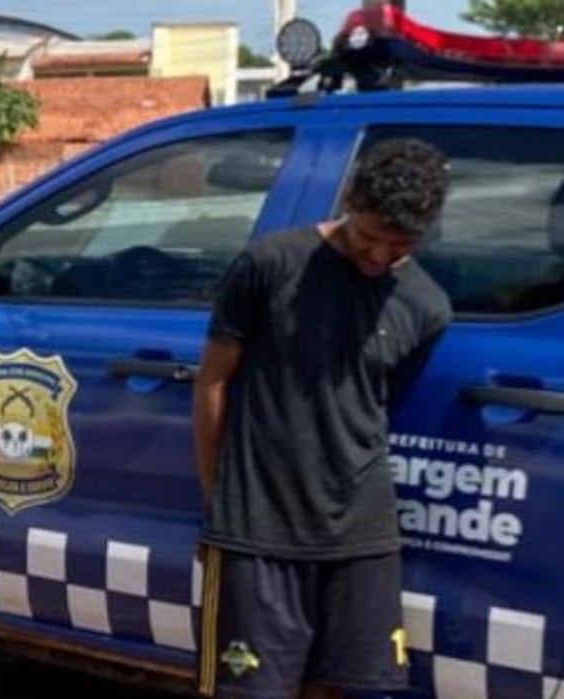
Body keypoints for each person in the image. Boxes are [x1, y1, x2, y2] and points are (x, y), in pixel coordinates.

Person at [192, 137, 453, 699]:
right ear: (349, 202)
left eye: (400, 245)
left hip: (362, 534)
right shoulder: (271, 264)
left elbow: (377, 409)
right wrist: (218, 505)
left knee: (348, 688)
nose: (379, 256)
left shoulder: (428, 306)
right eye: (369, 237)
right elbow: (213, 381)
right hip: (257, 527)